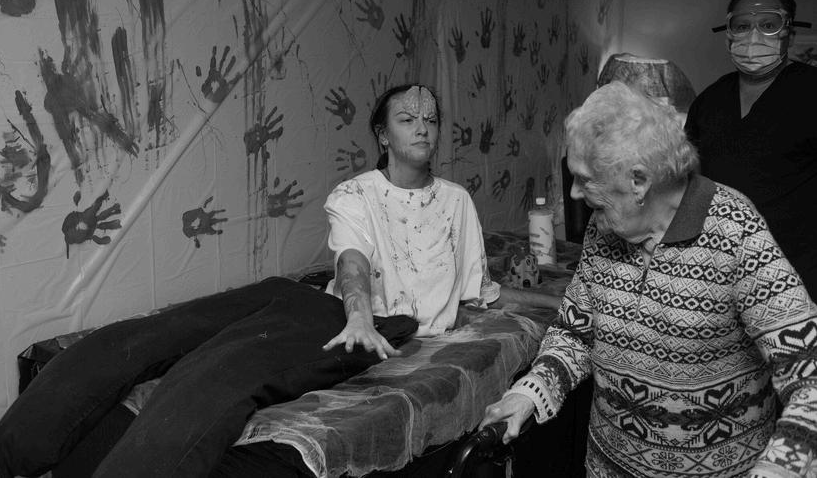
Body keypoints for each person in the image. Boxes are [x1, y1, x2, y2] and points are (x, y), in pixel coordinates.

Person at [481, 81, 817, 477]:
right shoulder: (604, 228)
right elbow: (575, 333)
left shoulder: (735, 230)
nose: (573, 193)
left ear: (639, 181)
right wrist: (530, 391)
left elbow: (809, 376)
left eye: (584, 179)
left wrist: (779, 470)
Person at [322, 84, 562, 359]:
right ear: (384, 135)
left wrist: (557, 301)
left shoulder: (457, 200)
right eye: (407, 120)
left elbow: (481, 291)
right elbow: (352, 262)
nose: (422, 129)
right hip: (362, 331)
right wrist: (360, 320)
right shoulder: (353, 194)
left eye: (431, 120)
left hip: (424, 340)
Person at [685, 0, 817, 299]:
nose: (753, 36)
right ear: (729, 35)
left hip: (797, 271)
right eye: (742, 26)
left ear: (789, 35)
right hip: (718, 269)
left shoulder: (811, 90)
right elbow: (690, 180)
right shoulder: (711, 99)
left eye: (768, 25)